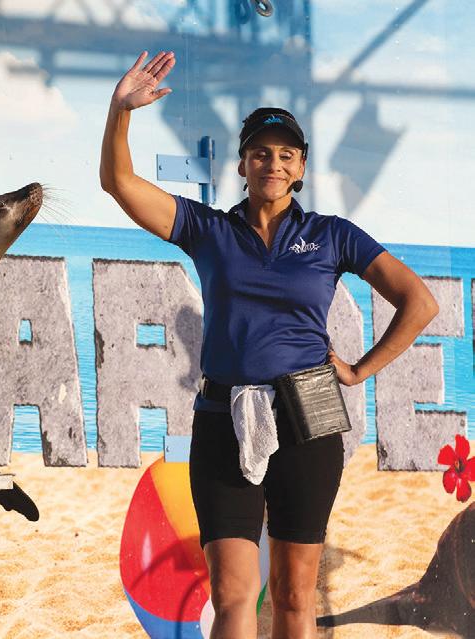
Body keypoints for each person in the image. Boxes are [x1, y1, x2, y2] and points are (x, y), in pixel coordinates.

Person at [99, 51, 439, 638]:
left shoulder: (331, 235)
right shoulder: (209, 229)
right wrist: (120, 111)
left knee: (293, 596)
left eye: (285, 154)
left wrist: (360, 369)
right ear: (243, 163)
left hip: (309, 415)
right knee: (233, 596)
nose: (273, 164)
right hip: (222, 417)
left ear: (300, 166)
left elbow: (419, 302)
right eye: (260, 153)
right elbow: (119, 183)